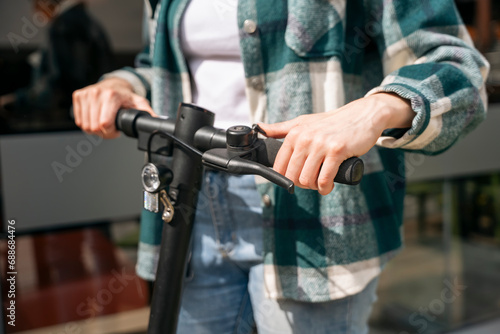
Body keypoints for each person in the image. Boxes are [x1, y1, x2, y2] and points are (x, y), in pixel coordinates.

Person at [73, 0, 489, 333]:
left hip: (312, 212)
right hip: (189, 202)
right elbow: (162, 64)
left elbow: (456, 66)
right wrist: (121, 85)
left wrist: (373, 110)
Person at [0, 0, 112, 118]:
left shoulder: (63, 26)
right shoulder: (84, 21)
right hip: (88, 112)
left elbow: (56, 84)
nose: (33, 11)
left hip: (72, 116)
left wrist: (17, 100)